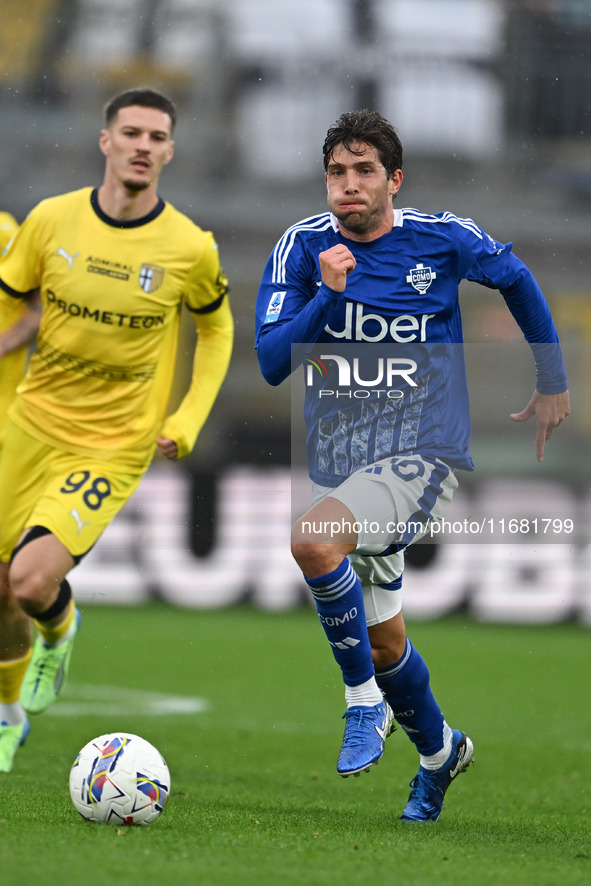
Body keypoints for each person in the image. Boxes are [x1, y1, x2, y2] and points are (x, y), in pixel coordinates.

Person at [255, 109, 569, 821]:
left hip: (421, 457)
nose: (348, 184)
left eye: (364, 171)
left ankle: (361, 703)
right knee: (385, 641)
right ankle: (440, 755)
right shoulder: (301, 251)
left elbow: (517, 280)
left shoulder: (442, 238)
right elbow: (274, 363)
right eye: (336, 172)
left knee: (311, 539)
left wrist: (551, 379)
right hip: (341, 464)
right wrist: (324, 300)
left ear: (393, 180)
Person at [0, 88, 234, 772]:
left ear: (168, 151)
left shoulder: (188, 247)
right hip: (30, 425)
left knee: (30, 582)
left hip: (112, 442)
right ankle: (9, 712)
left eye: (155, 136)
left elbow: (216, 329)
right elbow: (16, 299)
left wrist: (186, 417)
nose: (141, 145)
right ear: (105, 141)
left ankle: (62, 627)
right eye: (129, 132)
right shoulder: (51, 221)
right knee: (0, 591)